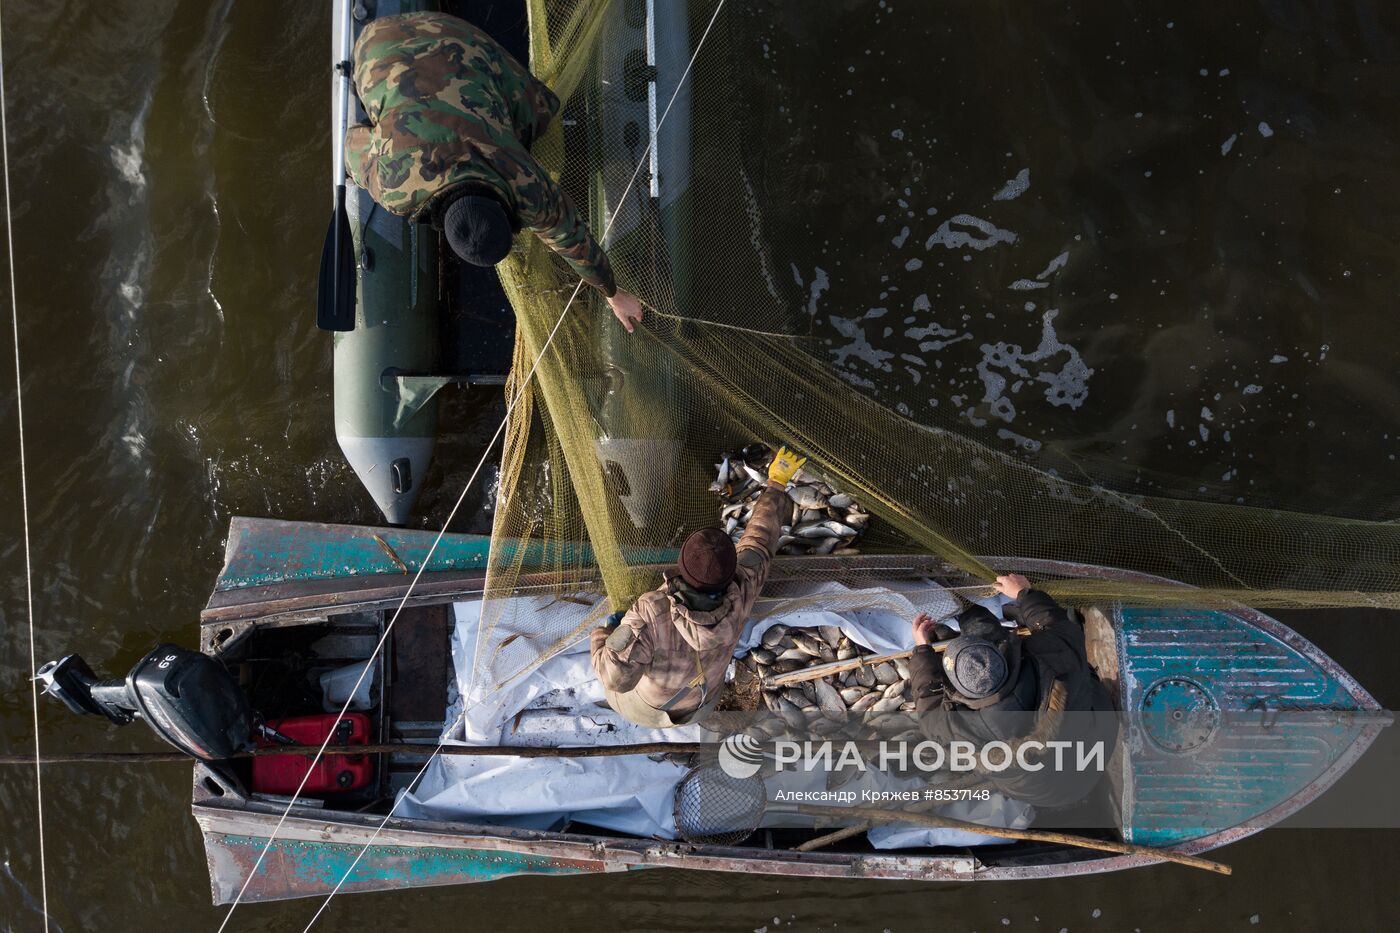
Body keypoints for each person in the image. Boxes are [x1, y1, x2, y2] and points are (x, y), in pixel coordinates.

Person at [344, 11, 645, 332]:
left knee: (542, 109)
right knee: (532, 111)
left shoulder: (520, 178)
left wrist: (613, 293)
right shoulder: (396, 187)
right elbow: (353, 147)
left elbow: (570, 237)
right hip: (397, 38)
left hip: (394, 37)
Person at [590, 447, 808, 728]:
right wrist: (777, 483)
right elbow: (760, 540)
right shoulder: (743, 589)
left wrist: (603, 635)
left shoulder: (652, 611)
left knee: (615, 649)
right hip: (700, 704)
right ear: (732, 570)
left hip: (648, 710)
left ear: (681, 565)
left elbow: (615, 679)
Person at [907, 574, 1118, 808]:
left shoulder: (947, 728)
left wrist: (923, 649)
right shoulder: (1054, 660)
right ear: (1000, 656)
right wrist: (1024, 594)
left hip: (1053, 787)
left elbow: (926, 698)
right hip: (1095, 748)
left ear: (955, 685)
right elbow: (1058, 627)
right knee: (1077, 667)